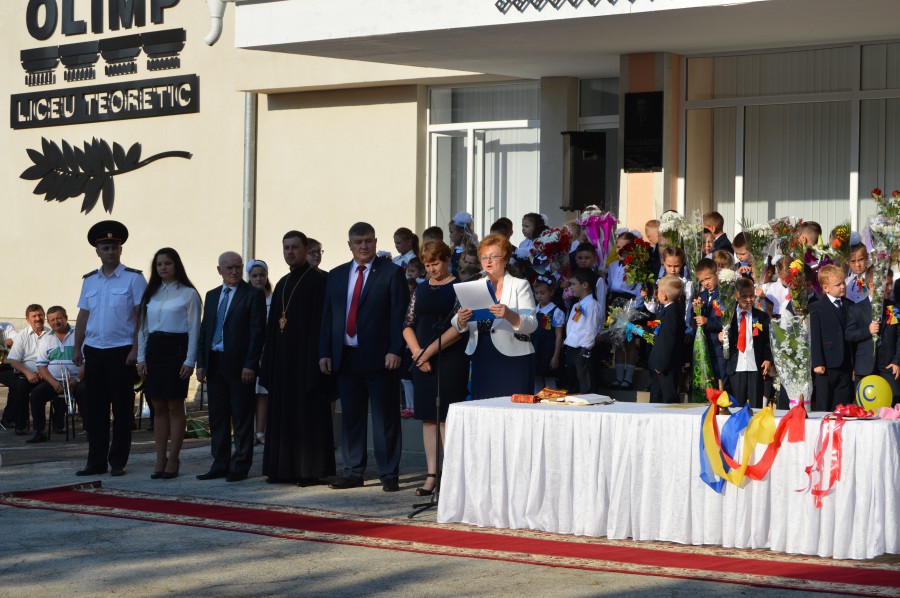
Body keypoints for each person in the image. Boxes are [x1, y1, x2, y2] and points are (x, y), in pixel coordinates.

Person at [320, 222, 408, 492]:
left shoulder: (391, 273)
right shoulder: (336, 275)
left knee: (385, 418)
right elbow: (328, 317)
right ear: (349, 245)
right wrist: (325, 352)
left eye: (368, 241)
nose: (364, 246)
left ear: (375, 242)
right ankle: (352, 471)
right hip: (346, 357)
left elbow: (399, 314)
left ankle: (389, 473)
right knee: (351, 417)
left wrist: (396, 349)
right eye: (358, 242)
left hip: (381, 358)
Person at [260, 231, 336, 485]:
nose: (290, 252)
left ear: (305, 249)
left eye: (294, 247)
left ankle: (308, 470)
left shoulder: (319, 281)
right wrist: (268, 361)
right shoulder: (282, 283)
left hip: (307, 360)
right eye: (286, 248)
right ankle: (282, 469)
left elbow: (323, 322)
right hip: (283, 361)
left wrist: (321, 355)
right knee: (283, 414)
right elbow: (274, 326)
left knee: (307, 415)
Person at [73, 221, 147, 476]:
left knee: (122, 409)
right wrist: (77, 347)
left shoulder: (134, 278)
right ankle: (95, 461)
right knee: (95, 410)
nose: (110, 252)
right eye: (105, 248)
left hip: (121, 351)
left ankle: (117, 461)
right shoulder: (89, 281)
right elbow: (83, 316)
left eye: (114, 247)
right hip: (94, 351)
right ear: (98, 251)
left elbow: (141, 317)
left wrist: (136, 349)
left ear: (121, 250)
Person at [402, 240, 467, 497]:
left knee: (445, 418)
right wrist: (418, 353)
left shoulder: (459, 287)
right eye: (427, 265)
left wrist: (426, 353)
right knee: (428, 417)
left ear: (447, 259)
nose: (431, 269)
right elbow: (407, 324)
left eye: (436, 264)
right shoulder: (420, 288)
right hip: (422, 357)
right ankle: (432, 474)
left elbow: (459, 327)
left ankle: (451, 475)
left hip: (450, 358)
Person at [195, 251, 267, 482]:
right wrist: (201, 362)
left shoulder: (252, 294)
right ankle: (220, 462)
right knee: (218, 416)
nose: (234, 271)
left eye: (238, 267)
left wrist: (250, 364)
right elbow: (205, 330)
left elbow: (257, 332)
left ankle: (240, 464)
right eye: (229, 268)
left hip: (239, 365)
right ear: (219, 270)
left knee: (242, 416)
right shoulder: (212, 295)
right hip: (215, 362)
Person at [136, 248, 202, 479]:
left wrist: (190, 360)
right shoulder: (150, 293)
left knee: (175, 406)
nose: (163, 268)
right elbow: (143, 329)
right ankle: (160, 458)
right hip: (154, 350)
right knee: (158, 407)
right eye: (159, 264)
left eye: (167, 263)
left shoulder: (188, 293)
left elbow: (194, 329)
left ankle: (174, 458)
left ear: (176, 265)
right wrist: (141, 358)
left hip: (176, 350)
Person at [452, 234, 538, 400]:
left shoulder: (519, 285)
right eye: (484, 257)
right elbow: (456, 321)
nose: (488, 261)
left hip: (514, 358)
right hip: (482, 356)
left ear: (505, 260)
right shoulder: (474, 286)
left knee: (514, 409)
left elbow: (532, 324)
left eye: (493, 256)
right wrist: (460, 319)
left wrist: (509, 314)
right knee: (484, 409)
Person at [28, 306, 84, 443]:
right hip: (54, 381)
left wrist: (76, 380)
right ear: (48, 322)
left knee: (86, 392)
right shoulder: (46, 338)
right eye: (52, 320)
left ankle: (90, 430)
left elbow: (87, 364)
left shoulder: (79, 334)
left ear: (66, 318)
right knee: (36, 395)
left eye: (59, 318)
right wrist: (54, 383)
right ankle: (39, 432)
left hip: (77, 380)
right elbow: (41, 367)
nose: (56, 322)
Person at [846, 267, 900, 405]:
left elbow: (899, 336)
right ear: (871, 286)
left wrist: (896, 361)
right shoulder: (856, 309)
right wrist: (867, 330)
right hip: (865, 367)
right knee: (863, 405)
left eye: (891, 284)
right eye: (886, 285)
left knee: (894, 401)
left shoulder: (894, 309)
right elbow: (849, 334)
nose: (890, 288)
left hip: (888, 366)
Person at [723, 277, 773, 408]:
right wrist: (721, 335)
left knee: (756, 405)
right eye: (744, 296)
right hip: (737, 365)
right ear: (736, 296)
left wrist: (768, 359)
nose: (749, 300)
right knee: (737, 406)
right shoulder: (729, 316)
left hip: (755, 365)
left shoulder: (761, 316)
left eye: (751, 296)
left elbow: (768, 340)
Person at [809, 264, 852, 412]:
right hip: (826, 365)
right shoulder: (816, 307)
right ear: (826, 288)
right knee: (824, 404)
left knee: (843, 404)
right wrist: (817, 362)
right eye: (838, 285)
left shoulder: (849, 305)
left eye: (843, 282)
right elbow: (815, 337)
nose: (842, 286)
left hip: (845, 363)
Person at [1, 304, 48, 434]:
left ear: (44, 316)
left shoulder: (51, 335)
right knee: (19, 386)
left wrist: (44, 373)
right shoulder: (21, 336)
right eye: (34, 316)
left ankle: (57, 425)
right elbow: (14, 361)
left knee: (56, 385)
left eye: (40, 315)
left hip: (47, 374)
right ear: (27, 319)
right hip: (27, 375)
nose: (38, 318)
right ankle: (21, 425)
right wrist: (28, 373)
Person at [607, 232, 644, 389]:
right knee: (618, 342)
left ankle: (628, 378)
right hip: (615, 306)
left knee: (629, 343)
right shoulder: (613, 266)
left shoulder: (638, 267)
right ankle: (618, 377)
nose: (620, 250)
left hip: (630, 307)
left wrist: (632, 310)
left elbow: (640, 291)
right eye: (618, 247)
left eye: (625, 247)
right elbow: (610, 286)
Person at [246, 259, 273, 445]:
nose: (258, 279)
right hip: (249, 352)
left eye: (262, 275)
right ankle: (247, 431)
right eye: (254, 275)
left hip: (267, 351)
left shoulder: (273, 298)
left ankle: (260, 431)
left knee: (263, 392)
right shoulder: (245, 296)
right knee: (248, 392)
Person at [648, 276, 686, 403]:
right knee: (656, 398)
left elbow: (668, 342)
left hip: (665, 367)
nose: (656, 294)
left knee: (667, 399)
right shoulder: (668, 311)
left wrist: (662, 365)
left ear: (664, 296)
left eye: (658, 291)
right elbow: (658, 332)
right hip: (659, 366)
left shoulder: (671, 314)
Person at [564, 268, 602, 393]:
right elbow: (571, 326)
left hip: (582, 350)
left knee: (585, 383)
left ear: (584, 285)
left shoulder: (592, 305)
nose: (571, 287)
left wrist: (586, 349)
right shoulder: (577, 305)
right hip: (571, 348)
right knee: (572, 384)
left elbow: (591, 329)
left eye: (574, 284)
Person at [692, 258, 726, 388]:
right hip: (704, 346)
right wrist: (696, 311)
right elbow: (692, 323)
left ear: (716, 273)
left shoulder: (724, 294)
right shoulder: (700, 296)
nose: (706, 283)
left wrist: (708, 321)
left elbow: (727, 320)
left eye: (708, 278)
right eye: (701, 281)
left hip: (718, 346)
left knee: (721, 382)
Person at [532, 277, 565, 391]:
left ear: (551, 292)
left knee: (550, 381)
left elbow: (559, 336)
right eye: (536, 293)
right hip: (536, 349)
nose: (539, 296)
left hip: (549, 351)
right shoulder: (534, 311)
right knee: (537, 380)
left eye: (542, 293)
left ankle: (552, 401)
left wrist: (555, 356)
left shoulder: (556, 312)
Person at [448, 211, 477, 276]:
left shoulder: (471, 249)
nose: (450, 236)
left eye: (451, 232)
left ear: (461, 232)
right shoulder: (453, 249)